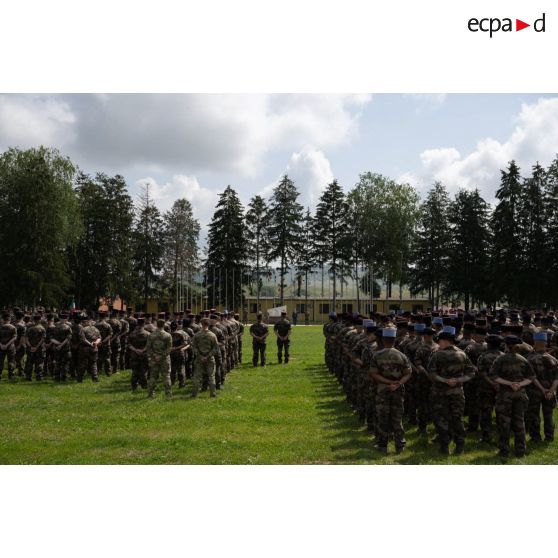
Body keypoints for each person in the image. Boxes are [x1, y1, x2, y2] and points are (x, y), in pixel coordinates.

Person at [427, 325, 476, 455]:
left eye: (440, 341)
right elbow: (471, 373)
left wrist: (444, 381)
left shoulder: (437, 355)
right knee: (457, 418)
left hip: (440, 393)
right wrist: (458, 380)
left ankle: (445, 446)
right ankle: (460, 446)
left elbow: (431, 373)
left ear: (444, 340)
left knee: (441, 419)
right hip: (457, 393)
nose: (438, 343)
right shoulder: (462, 354)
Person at [489, 335, 535, 459]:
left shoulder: (500, 359)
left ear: (505, 345)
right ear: (517, 346)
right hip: (520, 394)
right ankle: (520, 451)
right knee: (519, 422)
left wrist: (510, 384)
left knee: (504, 423)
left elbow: (493, 376)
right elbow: (531, 378)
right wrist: (519, 384)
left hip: (504, 395)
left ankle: (504, 450)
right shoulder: (523, 360)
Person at [369, 328, 412, 454]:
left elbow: (373, 373)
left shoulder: (377, 355)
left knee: (383, 417)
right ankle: (399, 445)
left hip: (382, 390)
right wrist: (398, 383)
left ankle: (383, 445)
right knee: (397, 418)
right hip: (398, 390)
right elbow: (408, 373)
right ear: (394, 340)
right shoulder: (401, 355)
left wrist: (388, 382)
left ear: (383, 340)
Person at [525, 331, 558, 442]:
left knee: (534, 414)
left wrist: (542, 389)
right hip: (550, 391)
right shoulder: (553, 359)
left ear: (535, 342)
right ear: (546, 342)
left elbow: (531, 377)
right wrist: (550, 391)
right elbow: (556, 378)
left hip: (535, 391)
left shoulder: (529, 359)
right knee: (548, 414)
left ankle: (535, 437)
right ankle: (549, 436)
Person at [476, 334, 504, 444]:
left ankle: (486, 436)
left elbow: (482, 373)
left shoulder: (483, 356)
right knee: (500, 413)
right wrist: (497, 384)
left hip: (485, 388)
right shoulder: (503, 356)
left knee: (485, 413)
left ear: (488, 344)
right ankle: (501, 435)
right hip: (501, 388)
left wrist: (492, 383)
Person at [191, 317, 220, 398]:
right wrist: (207, 356)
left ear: (201, 324)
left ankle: (194, 394)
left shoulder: (197, 335)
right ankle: (213, 394)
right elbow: (216, 348)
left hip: (199, 358)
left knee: (197, 376)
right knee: (211, 376)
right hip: (209, 358)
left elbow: (193, 347)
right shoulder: (212, 335)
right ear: (209, 324)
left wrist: (200, 356)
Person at [145, 315, 173, 398]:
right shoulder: (168, 335)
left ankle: (150, 394)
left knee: (153, 376)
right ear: (164, 325)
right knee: (166, 376)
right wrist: (161, 356)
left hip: (154, 358)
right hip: (164, 359)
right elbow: (169, 348)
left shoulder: (151, 335)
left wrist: (154, 355)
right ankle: (168, 394)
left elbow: (148, 347)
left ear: (157, 324)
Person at [128, 317, 150, 391]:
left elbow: (128, 344)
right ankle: (144, 386)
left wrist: (135, 350)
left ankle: (134, 387)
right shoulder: (148, 334)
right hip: (144, 355)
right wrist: (143, 350)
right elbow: (149, 344)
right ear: (144, 324)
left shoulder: (132, 334)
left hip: (134, 355)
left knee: (135, 372)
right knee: (144, 372)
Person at [78, 316, 102, 382]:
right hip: (94, 348)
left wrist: (89, 344)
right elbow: (99, 338)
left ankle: (80, 378)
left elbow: (83, 339)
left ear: (84, 322)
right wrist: (95, 343)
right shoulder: (96, 329)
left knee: (83, 363)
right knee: (93, 363)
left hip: (85, 349)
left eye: (82, 322)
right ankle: (95, 378)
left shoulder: (83, 329)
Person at [51, 313, 72, 381]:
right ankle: (64, 377)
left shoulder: (54, 327)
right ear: (66, 319)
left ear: (60, 319)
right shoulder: (68, 327)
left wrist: (58, 344)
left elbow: (51, 338)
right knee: (65, 363)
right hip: (65, 348)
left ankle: (57, 377)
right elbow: (68, 338)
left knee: (57, 363)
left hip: (56, 347)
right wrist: (61, 344)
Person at [24, 315, 46, 381]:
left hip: (30, 348)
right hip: (39, 348)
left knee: (30, 362)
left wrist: (31, 346)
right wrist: (36, 347)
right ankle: (39, 376)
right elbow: (42, 339)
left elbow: (26, 339)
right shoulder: (42, 329)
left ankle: (28, 376)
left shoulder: (29, 328)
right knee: (39, 363)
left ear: (34, 320)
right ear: (40, 320)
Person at [170, 321, 189, 388]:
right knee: (181, 369)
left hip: (171, 353)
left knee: (172, 369)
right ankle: (182, 384)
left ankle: (172, 383)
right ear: (177, 327)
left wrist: (172, 348)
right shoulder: (181, 334)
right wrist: (176, 348)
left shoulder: (169, 334)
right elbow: (185, 344)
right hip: (179, 353)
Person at [0, 312, 17, 380]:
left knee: (0, 361)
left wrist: (1, 345)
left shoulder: (0, 327)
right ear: (9, 319)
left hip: (1, 347)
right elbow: (14, 338)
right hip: (10, 347)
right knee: (11, 361)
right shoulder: (13, 327)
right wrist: (7, 344)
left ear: (2, 319)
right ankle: (11, 375)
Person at [95, 311, 113, 376]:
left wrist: (98, 342)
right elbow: (110, 334)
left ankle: (98, 371)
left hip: (98, 344)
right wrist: (104, 341)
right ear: (105, 317)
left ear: (99, 316)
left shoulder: (95, 324)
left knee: (98, 358)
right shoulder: (108, 325)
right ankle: (108, 372)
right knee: (107, 358)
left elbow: (94, 335)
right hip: (106, 344)